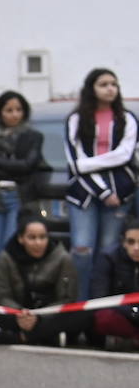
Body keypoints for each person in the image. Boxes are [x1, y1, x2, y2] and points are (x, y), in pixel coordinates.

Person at [65, 68, 136, 299]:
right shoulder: (76, 119)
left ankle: (101, 307)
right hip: (83, 194)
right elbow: (75, 163)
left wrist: (89, 163)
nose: (110, 89)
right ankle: (79, 305)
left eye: (113, 84)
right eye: (103, 84)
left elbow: (124, 155)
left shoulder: (127, 119)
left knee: (107, 252)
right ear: (91, 89)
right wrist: (103, 191)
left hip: (119, 195)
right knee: (82, 249)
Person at [0, 215, 82, 346]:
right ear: (21, 239)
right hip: (16, 313)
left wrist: (39, 318)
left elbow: (67, 298)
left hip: (48, 314)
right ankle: (48, 337)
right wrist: (21, 314)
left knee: (82, 317)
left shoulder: (63, 258)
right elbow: (3, 295)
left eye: (42, 237)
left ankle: (17, 337)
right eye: (32, 238)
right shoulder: (5, 258)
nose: (38, 243)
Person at [0, 91, 43, 280]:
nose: (14, 114)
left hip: (18, 197)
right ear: (0, 112)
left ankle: (9, 295)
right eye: (9, 110)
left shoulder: (33, 136)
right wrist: (13, 170)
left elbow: (28, 165)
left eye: (18, 110)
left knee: (11, 250)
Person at [89, 219, 139, 350]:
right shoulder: (108, 257)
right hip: (120, 313)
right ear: (123, 242)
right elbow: (99, 298)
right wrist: (133, 312)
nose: (136, 248)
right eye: (131, 242)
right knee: (103, 318)